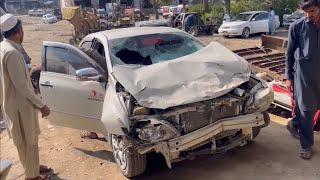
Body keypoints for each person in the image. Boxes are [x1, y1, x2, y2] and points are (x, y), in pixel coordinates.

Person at [0, 14, 52, 179]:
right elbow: (22, 86)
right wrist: (41, 105)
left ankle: (33, 168)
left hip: (13, 103)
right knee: (29, 142)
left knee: (25, 141)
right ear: (17, 33)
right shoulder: (13, 53)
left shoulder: (4, 47)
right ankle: (32, 176)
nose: (23, 34)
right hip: (20, 105)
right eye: (22, 31)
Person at [285, 0, 320, 159]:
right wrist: (289, 77)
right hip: (304, 75)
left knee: (311, 108)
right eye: (305, 12)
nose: (309, 15)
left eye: (312, 11)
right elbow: (289, 53)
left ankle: (295, 123)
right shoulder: (296, 27)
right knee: (307, 109)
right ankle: (306, 146)